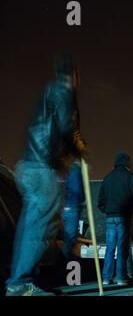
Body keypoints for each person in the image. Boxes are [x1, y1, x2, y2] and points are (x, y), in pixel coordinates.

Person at [5, 54, 88, 296]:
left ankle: (21, 279)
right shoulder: (63, 90)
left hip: (30, 164)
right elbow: (67, 126)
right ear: (74, 73)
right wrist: (80, 147)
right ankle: (20, 283)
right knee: (42, 225)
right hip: (44, 166)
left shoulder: (50, 91)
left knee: (32, 224)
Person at [98, 152, 133, 285]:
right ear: (126, 162)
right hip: (124, 216)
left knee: (110, 248)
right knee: (122, 247)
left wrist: (106, 210)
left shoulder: (107, 178)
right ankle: (121, 277)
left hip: (110, 217)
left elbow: (100, 200)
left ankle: (106, 278)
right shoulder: (131, 177)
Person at [62, 161, 85, 260]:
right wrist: (82, 201)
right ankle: (64, 264)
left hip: (67, 207)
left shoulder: (70, 168)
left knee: (68, 239)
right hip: (72, 208)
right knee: (70, 240)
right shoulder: (75, 169)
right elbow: (76, 190)